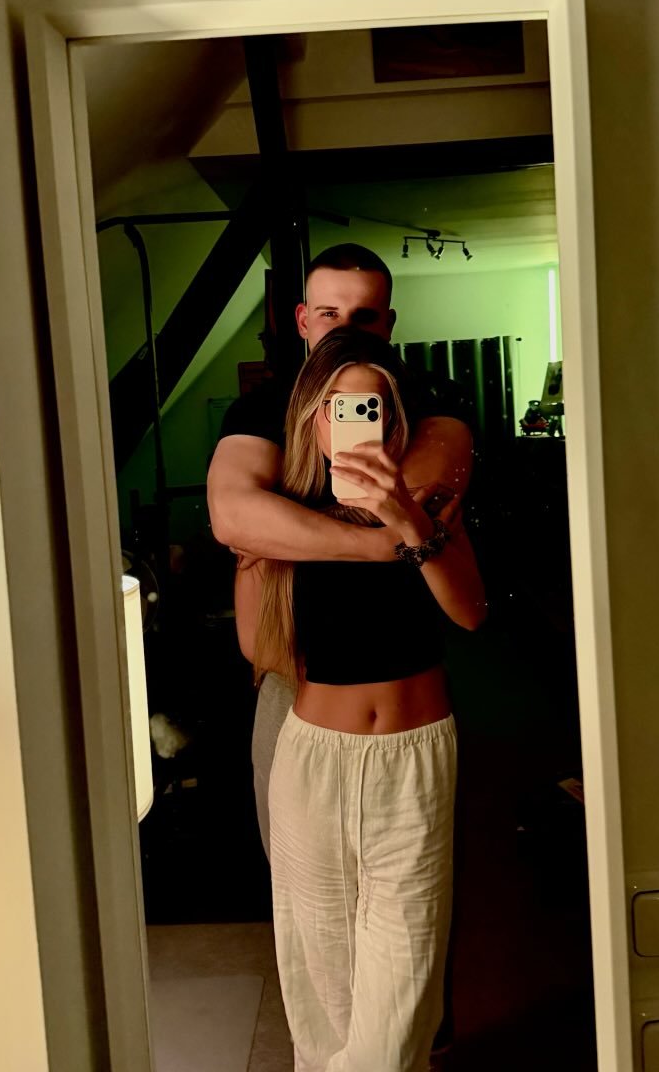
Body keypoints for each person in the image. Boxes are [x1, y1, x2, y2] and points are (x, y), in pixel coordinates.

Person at [234, 328, 486, 1072]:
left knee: (403, 992)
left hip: (413, 761)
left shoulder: (430, 506)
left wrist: (403, 519)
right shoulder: (283, 518)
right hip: (313, 765)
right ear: (313, 419)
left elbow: (471, 613)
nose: (354, 422)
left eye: (371, 407)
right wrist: (263, 557)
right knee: (323, 993)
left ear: (394, 419)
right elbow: (261, 651)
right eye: (338, 408)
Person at [207, 244, 473, 860]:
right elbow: (233, 516)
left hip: (407, 694)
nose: (346, 330)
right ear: (303, 320)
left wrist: (285, 524)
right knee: (301, 886)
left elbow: (424, 496)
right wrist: (384, 545)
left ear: (389, 323)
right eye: (330, 314)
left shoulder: (432, 403)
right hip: (294, 679)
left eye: (365, 316)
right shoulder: (261, 409)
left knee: (410, 888)